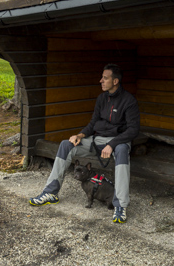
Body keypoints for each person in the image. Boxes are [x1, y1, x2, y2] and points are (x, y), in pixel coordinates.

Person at [29, 63, 140, 223]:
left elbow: (133, 130)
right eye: (102, 77)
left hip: (119, 142)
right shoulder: (102, 98)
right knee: (66, 145)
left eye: (105, 78)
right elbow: (94, 122)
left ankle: (120, 206)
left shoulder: (129, 101)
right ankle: (51, 192)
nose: (100, 80)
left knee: (122, 151)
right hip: (97, 140)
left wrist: (113, 144)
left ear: (115, 81)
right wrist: (80, 135)